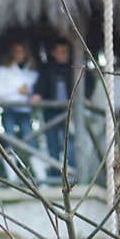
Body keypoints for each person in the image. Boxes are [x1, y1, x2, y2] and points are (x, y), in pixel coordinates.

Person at [31, 38, 75, 180]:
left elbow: (86, 86)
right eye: (60, 52)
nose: (63, 54)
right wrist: (37, 95)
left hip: (70, 113)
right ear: (54, 53)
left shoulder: (74, 68)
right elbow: (40, 86)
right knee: (52, 143)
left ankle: (72, 173)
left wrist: (84, 97)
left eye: (65, 52)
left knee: (71, 143)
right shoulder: (47, 69)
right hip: (51, 113)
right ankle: (56, 175)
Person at [0, 42, 38, 146]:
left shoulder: (32, 72)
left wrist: (29, 93)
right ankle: (9, 160)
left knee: (30, 138)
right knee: (9, 139)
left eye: (22, 52)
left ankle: (35, 161)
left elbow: (37, 91)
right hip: (9, 108)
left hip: (25, 109)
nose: (19, 54)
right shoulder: (2, 70)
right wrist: (16, 91)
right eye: (16, 51)